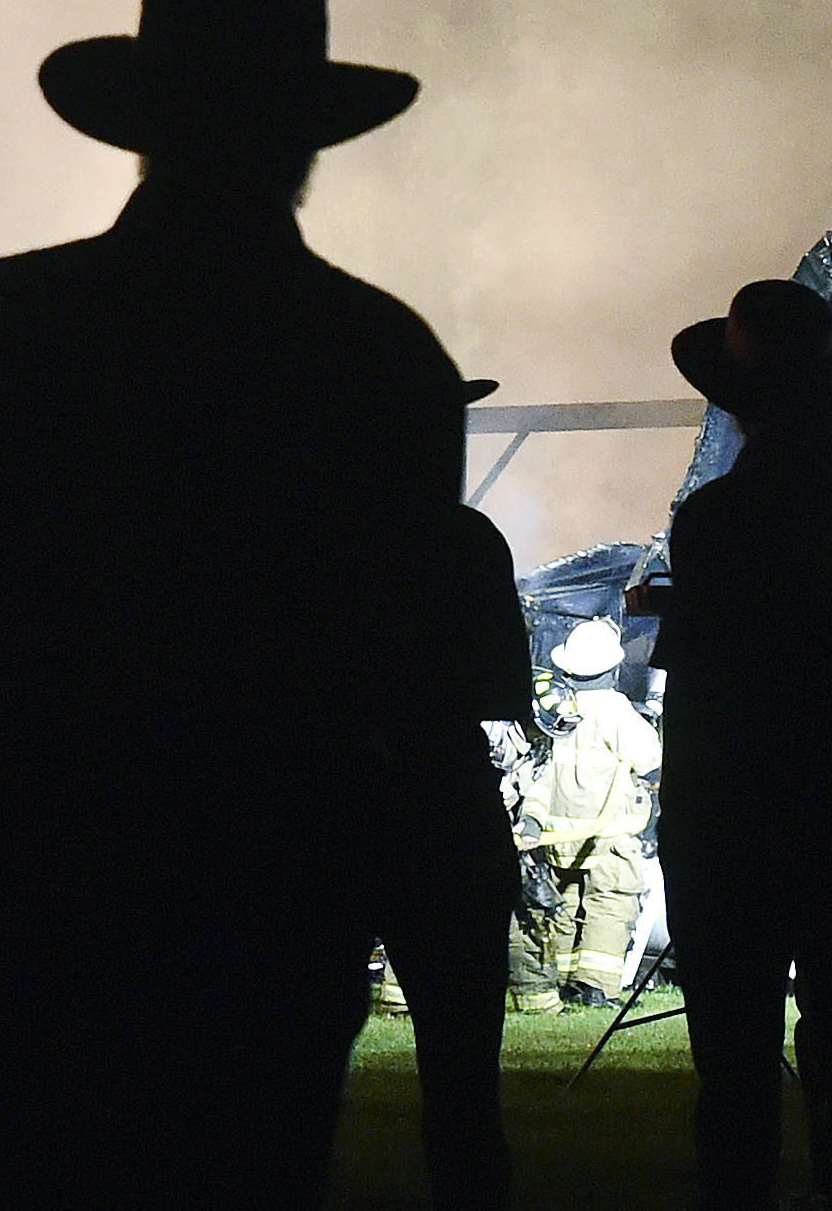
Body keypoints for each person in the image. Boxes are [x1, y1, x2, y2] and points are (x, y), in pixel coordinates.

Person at [0, 0, 465, 1208]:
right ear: (307, 137)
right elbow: (399, 618)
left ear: (140, 123)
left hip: (41, 855)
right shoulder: (379, 354)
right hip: (271, 881)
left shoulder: (4, 316)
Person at [655, 281, 832, 1211]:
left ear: (743, 403)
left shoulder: (716, 521)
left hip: (735, 821)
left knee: (734, 1070)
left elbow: (701, 688)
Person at [357, 384, 530, 1211]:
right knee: (463, 1062)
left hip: (326, 806)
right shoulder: (461, 539)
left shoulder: (283, 537)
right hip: (442, 800)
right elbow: (499, 681)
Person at [515, 618, 657, 1011]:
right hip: (610, 836)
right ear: (613, 668)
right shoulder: (617, 711)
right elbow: (651, 762)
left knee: (565, 907)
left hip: (557, 835)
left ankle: (557, 979)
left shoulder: (557, 711)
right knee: (611, 904)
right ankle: (595, 986)